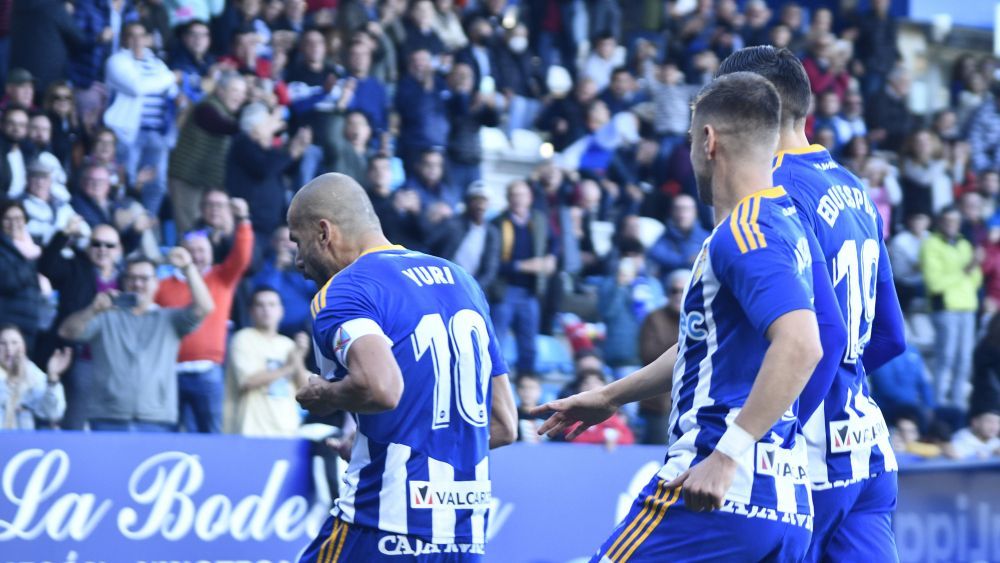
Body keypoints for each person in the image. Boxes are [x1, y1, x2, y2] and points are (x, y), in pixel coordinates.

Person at [531, 73, 843, 561]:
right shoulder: (787, 223)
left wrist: (726, 455)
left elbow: (804, 344)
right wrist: (610, 396)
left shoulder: (744, 233)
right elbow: (709, 345)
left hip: (715, 491)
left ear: (708, 140)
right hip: (783, 502)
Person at [716, 46, 907, 563]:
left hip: (808, 461)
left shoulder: (771, 193)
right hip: (867, 449)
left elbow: (820, 340)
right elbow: (890, 335)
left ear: (754, 107)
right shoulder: (853, 188)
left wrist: (780, 428)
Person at [287, 173, 517, 561]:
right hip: (463, 538)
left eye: (298, 241)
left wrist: (324, 395)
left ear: (324, 232)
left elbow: (381, 387)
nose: (297, 260)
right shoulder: (461, 281)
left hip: (382, 526)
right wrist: (376, 443)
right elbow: (504, 425)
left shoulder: (344, 289)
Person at [57, 249, 214, 432]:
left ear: (156, 283)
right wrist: (93, 309)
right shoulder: (105, 317)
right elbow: (66, 331)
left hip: (157, 419)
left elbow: (205, 307)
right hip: (108, 416)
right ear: (124, 282)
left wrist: (188, 268)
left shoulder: (169, 319)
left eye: (144, 278)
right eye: (131, 278)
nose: (137, 283)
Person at [155, 199, 253, 433]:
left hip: (208, 372)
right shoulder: (161, 285)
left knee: (212, 436)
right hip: (170, 371)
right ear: (181, 254)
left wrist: (243, 221)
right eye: (192, 251)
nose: (197, 256)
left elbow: (242, 255)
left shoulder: (221, 278)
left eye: (202, 250)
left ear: (211, 253)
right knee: (171, 438)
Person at [102, 21, 179, 215]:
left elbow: (172, 92)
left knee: (157, 183)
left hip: (156, 132)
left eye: (141, 35)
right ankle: (125, 222)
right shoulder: (117, 61)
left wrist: (170, 82)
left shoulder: (157, 64)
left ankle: (146, 223)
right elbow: (138, 88)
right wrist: (170, 77)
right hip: (127, 133)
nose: (137, 40)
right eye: (131, 35)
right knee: (127, 179)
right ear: (124, 39)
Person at [490, 180, 556, 377]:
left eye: (522, 195)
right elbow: (493, 263)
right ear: (508, 198)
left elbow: (554, 242)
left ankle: (527, 388)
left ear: (530, 198)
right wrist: (523, 266)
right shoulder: (497, 223)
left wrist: (551, 258)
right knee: (497, 344)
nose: (518, 199)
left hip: (530, 292)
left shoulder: (538, 219)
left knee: (529, 347)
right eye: (514, 195)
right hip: (505, 291)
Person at [226, 287, 309, 436]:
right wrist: (288, 367)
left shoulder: (288, 344)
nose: (266, 310)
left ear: (281, 310)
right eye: (260, 305)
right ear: (251, 311)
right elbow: (247, 381)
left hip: (287, 430)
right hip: (251, 430)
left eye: (272, 305)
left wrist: (299, 357)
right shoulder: (243, 338)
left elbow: (304, 390)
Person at [921, 206, 981, 410]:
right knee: (945, 356)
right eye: (947, 220)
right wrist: (964, 271)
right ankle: (938, 403)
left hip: (967, 306)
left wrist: (968, 272)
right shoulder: (930, 245)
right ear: (939, 222)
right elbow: (934, 283)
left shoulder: (964, 244)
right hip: (944, 308)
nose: (951, 225)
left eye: (955, 221)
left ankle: (957, 405)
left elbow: (975, 280)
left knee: (964, 358)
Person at [0, 324, 68, 430]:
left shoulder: (32, 373)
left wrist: (52, 379)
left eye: (14, 343)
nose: (9, 349)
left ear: (24, 347)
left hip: (26, 442)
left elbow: (53, 412)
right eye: (3, 343)